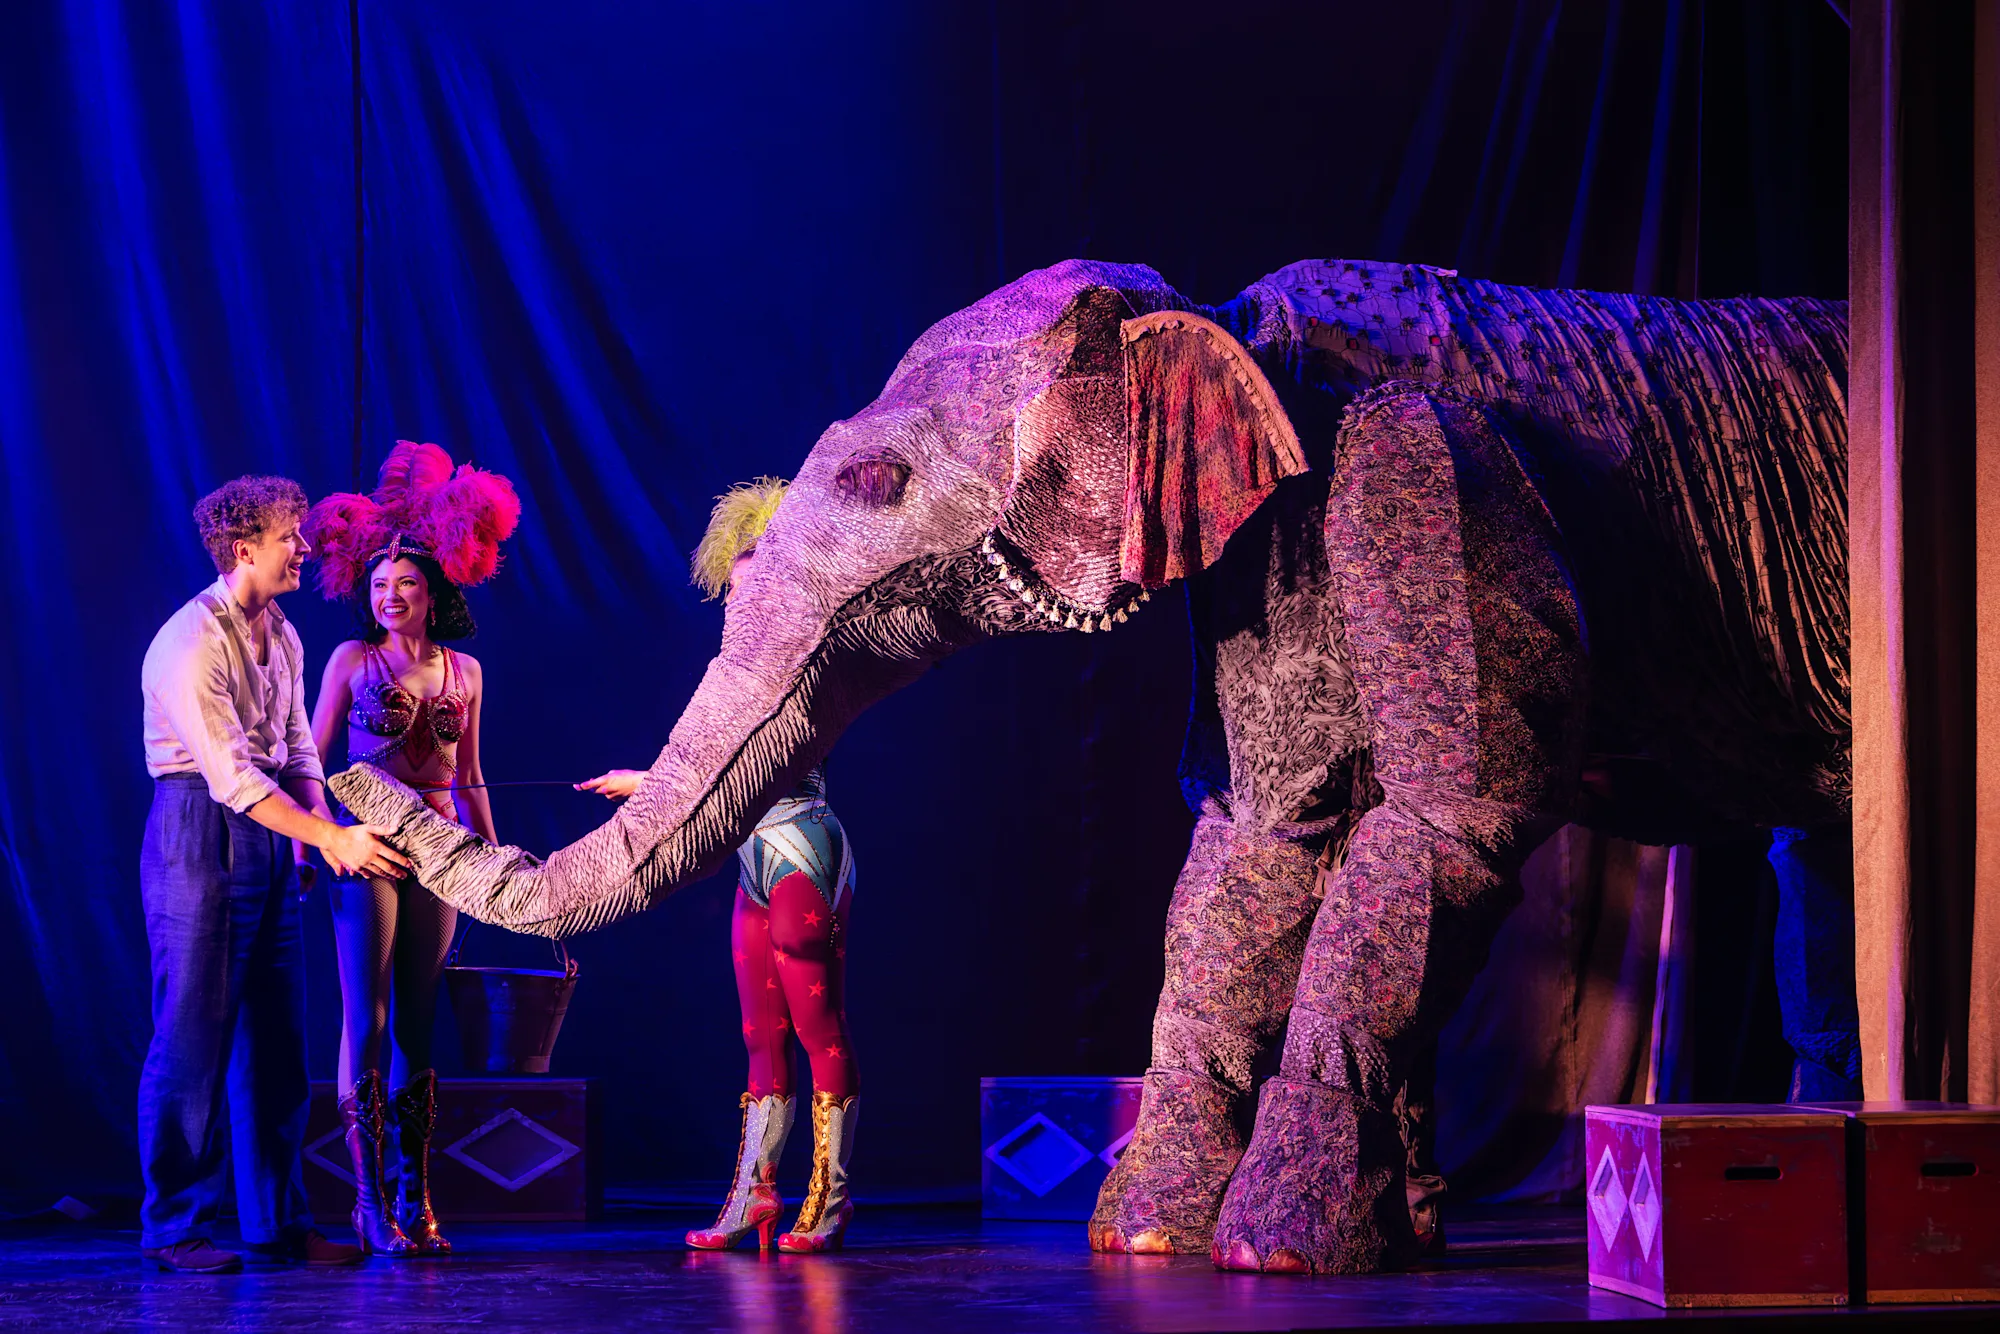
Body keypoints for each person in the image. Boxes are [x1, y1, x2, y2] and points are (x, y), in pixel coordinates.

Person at [579, 477, 859, 1254]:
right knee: (760, 1036)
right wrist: (648, 782)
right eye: (733, 592)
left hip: (801, 847)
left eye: (752, 588)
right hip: (754, 860)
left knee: (818, 1026)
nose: (740, 603)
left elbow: (749, 771)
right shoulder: (731, 673)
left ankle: (829, 1202)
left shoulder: (813, 663)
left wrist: (646, 783)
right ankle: (753, 1195)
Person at [139, 476, 408, 1273]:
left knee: (278, 1041)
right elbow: (231, 778)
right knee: (192, 1036)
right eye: (290, 536)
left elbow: (295, 752)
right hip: (198, 827)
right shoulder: (191, 642)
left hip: (268, 831)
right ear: (243, 549)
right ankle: (176, 1228)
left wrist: (311, 840)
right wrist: (328, 837)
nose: (305, 548)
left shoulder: (283, 634)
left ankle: (278, 1223)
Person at [302, 441, 520, 1257]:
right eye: (379, 586)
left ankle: (414, 1194)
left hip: (442, 850)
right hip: (369, 845)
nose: (391, 596)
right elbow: (310, 757)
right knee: (368, 1014)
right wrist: (319, 843)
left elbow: (471, 775)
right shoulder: (351, 661)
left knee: (419, 1026)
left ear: (434, 594)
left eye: (406, 585)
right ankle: (366, 1202)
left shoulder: (466, 672)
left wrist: (494, 859)